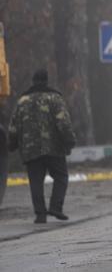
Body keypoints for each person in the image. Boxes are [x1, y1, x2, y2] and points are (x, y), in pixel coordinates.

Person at [8, 69, 75, 224]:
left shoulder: (22, 101)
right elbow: (63, 123)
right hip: (54, 148)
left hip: (30, 150)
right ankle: (56, 207)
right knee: (61, 177)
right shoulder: (55, 98)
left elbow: (14, 126)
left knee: (36, 181)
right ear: (46, 80)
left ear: (33, 81)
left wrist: (11, 144)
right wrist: (69, 141)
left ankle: (40, 215)